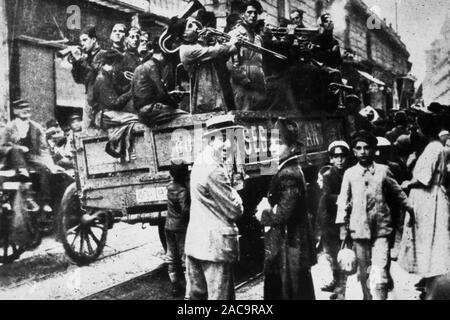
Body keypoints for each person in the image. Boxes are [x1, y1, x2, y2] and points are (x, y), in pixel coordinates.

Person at [336, 130, 414, 300]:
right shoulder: (350, 174)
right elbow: (342, 201)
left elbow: (399, 193)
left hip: (381, 230)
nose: (363, 151)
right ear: (354, 151)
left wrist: (412, 210)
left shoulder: (383, 171)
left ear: (373, 150)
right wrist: (342, 227)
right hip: (359, 231)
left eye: (366, 148)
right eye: (358, 148)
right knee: (363, 272)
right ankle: (366, 297)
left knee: (379, 273)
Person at [255, 118, 316, 300]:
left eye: (278, 144)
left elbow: (282, 214)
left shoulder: (288, 174)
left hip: (289, 244)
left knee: (289, 291)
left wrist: (263, 213)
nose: (272, 148)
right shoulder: (289, 169)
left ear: (291, 147)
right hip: (292, 243)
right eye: (272, 143)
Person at [184, 115, 244, 300]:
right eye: (222, 139)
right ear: (211, 140)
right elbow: (235, 210)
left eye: (232, 139)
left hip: (197, 244)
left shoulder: (201, 160)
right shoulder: (214, 169)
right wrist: (237, 195)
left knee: (195, 299)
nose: (228, 145)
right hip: (215, 248)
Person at [399, 113, 450, 299]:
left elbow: (423, 180)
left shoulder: (433, 149)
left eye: (419, 127)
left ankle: (432, 286)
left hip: (429, 200)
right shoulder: (437, 147)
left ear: (425, 129)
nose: (417, 130)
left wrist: (407, 184)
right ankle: (429, 283)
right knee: (429, 240)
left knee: (428, 240)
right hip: (430, 198)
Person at [0, 100, 57, 213]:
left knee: (44, 168)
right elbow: (2, 147)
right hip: (13, 160)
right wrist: (18, 148)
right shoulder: (9, 128)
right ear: (15, 111)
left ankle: (45, 202)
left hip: (31, 159)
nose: (25, 110)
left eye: (27, 108)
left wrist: (51, 164)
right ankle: (23, 174)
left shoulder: (36, 127)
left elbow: (43, 149)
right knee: (16, 150)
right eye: (21, 108)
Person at [175, 16, 238, 113]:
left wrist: (212, 41)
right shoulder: (186, 50)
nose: (196, 27)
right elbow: (214, 51)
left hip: (211, 86)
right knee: (209, 118)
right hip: (203, 92)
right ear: (184, 35)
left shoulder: (194, 44)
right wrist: (232, 43)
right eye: (190, 26)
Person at [317, 140, 350, 299]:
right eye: (336, 157)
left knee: (347, 252)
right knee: (333, 252)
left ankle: (343, 284)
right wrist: (344, 198)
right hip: (330, 218)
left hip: (346, 217)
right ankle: (337, 282)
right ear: (331, 159)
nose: (340, 160)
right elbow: (327, 197)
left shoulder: (350, 173)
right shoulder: (328, 176)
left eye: (343, 156)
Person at [132, 39, 186, 127]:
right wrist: (175, 104)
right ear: (163, 55)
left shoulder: (141, 67)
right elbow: (161, 94)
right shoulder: (153, 67)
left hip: (142, 111)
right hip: (150, 111)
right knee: (185, 116)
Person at [227, 0, 266, 111]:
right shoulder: (233, 35)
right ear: (242, 14)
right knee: (244, 117)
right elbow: (230, 64)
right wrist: (245, 81)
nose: (253, 15)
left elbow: (260, 62)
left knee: (261, 119)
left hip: (259, 83)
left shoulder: (258, 38)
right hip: (242, 85)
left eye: (256, 13)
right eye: (249, 12)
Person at [70, 25, 106, 129]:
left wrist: (81, 60)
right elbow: (79, 80)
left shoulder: (103, 55)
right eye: (81, 41)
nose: (82, 43)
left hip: (100, 103)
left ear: (94, 39)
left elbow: (94, 74)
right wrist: (75, 63)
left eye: (85, 40)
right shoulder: (87, 57)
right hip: (89, 103)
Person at [92, 50, 137, 129]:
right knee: (136, 119)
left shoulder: (107, 75)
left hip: (108, 113)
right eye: (119, 64)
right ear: (114, 63)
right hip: (105, 116)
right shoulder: (102, 79)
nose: (120, 67)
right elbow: (114, 103)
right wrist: (131, 93)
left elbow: (119, 90)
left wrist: (131, 85)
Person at [165, 159, 190, 297]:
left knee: (171, 257)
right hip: (181, 227)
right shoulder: (182, 190)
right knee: (184, 257)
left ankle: (175, 286)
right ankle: (188, 288)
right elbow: (185, 210)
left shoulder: (169, 187)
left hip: (169, 226)